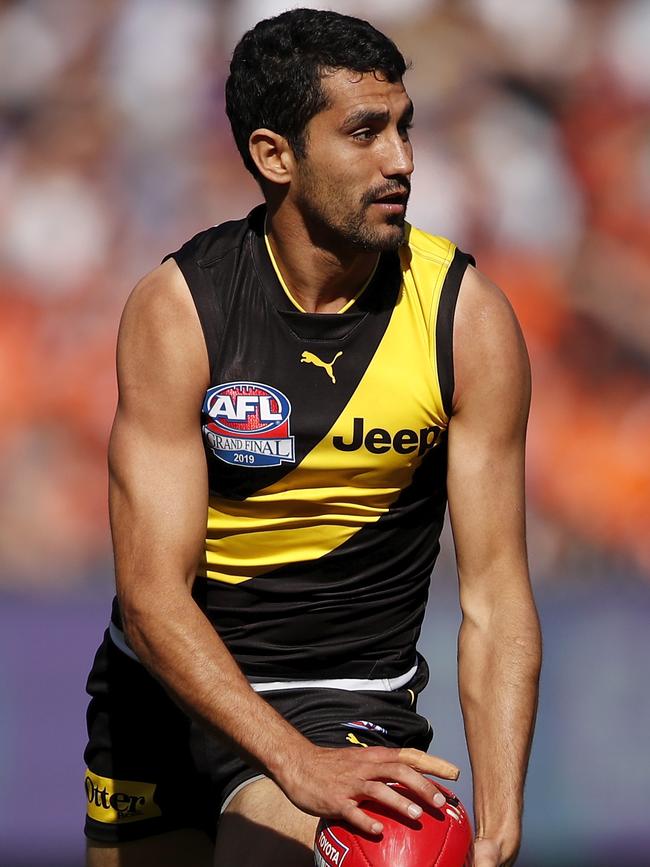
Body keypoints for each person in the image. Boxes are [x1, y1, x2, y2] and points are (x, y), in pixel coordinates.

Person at [83, 9, 541, 867]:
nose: (401, 160)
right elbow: (151, 595)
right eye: (364, 132)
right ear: (274, 155)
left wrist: (502, 818)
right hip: (165, 689)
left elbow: (496, 596)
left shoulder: (463, 319)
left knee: (387, 849)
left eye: (405, 128)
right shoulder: (181, 311)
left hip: (349, 694)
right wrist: (294, 762)